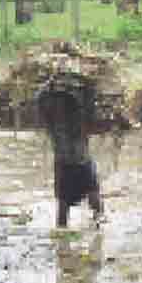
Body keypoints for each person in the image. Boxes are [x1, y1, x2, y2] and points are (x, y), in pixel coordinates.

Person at [37, 83, 103, 228]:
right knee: (64, 207)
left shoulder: (80, 122)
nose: (60, 108)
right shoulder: (55, 124)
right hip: (66, 165)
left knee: (93, 202)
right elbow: (40, 102)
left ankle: (98, 230)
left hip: (80, 164)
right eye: (57, 104)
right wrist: (50, 85)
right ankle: (64, 238)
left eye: (63, 104)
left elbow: (92, 98)